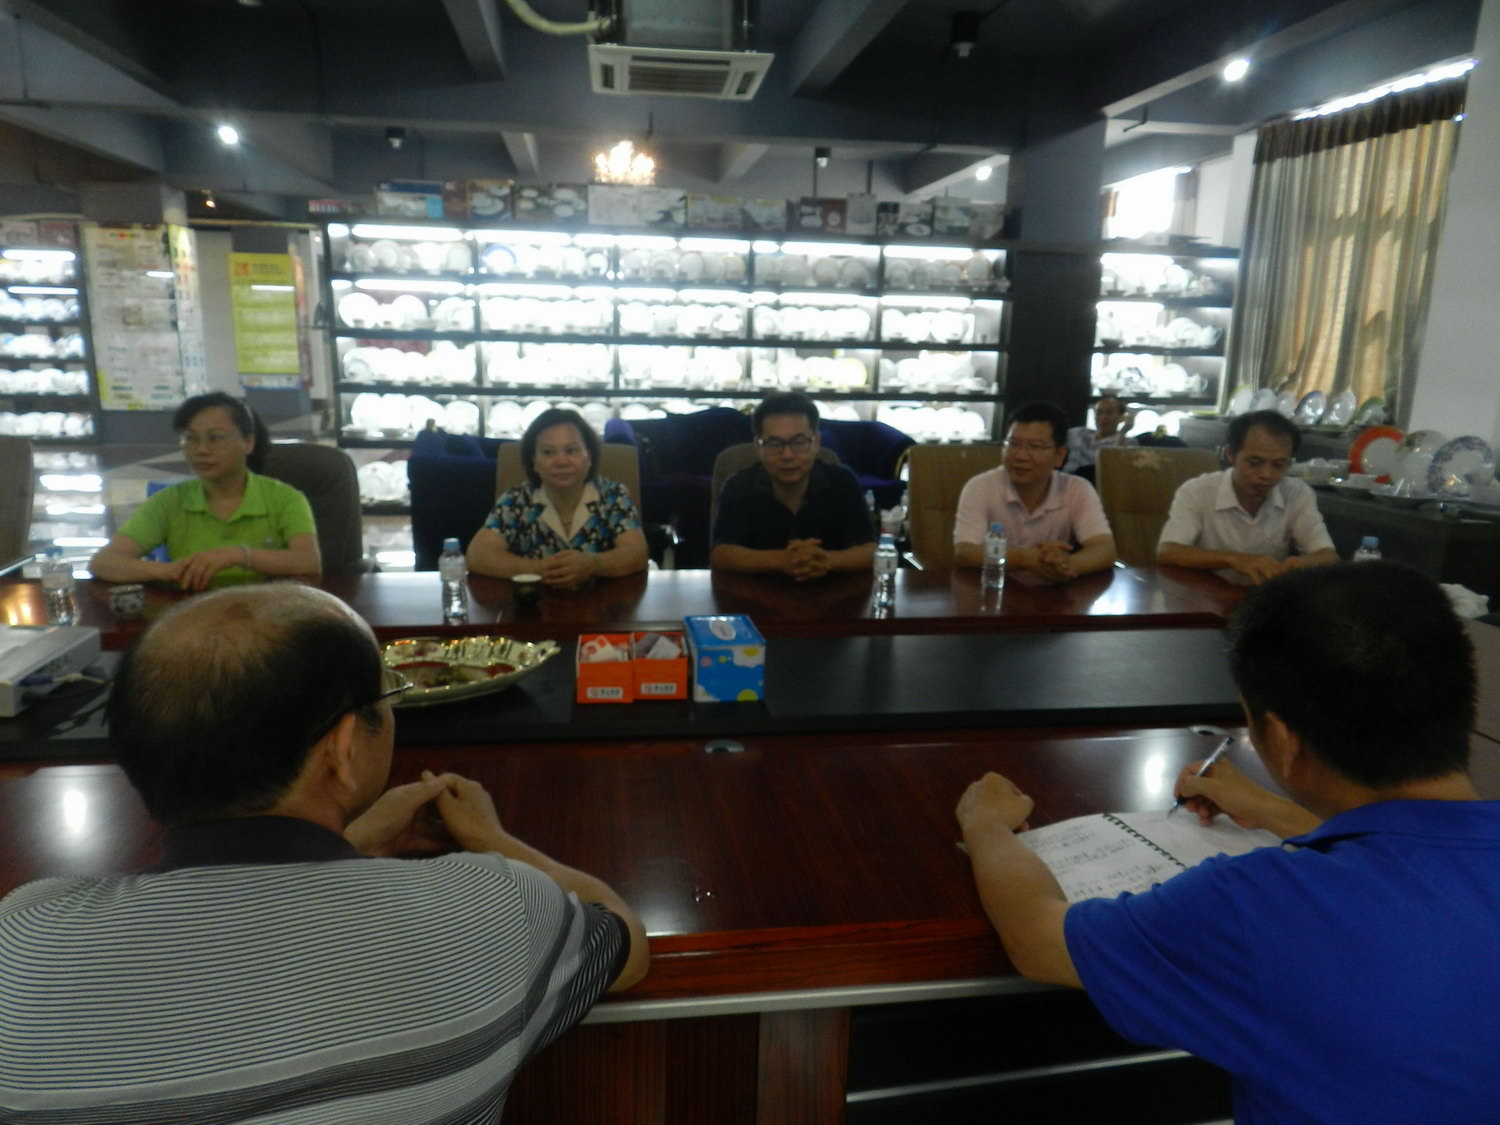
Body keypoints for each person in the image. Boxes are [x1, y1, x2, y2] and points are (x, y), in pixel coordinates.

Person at [0, 584, 648, 1120]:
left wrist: (350, 844)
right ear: (341, 750)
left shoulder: (22, 936)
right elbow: (624, 937)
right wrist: (493, 840)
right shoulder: (489, 907)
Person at [955, 562, 1500, 1124]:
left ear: (1283, 741)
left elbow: (1039, 941)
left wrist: (986, 823)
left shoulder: (1265, 906)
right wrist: (1271, 810)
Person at [88, 392, 321, 591]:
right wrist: (168, 571)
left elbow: (308, 561)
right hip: (194, 612)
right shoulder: (170, 501)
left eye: (215, 438)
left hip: (269, 612)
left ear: (248, 443)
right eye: (191, 439)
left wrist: (238, 555)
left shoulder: (285, 498)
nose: (201, 450)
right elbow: (103, 562)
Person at [466, 407, 648, 586]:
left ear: (589, 457)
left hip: (604, 603)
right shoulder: (516, 500)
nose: (561, 462)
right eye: (548, 452)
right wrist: (539, 568)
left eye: (571, 451)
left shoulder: (613, 496)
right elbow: (477, 556)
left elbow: (637, 553)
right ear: (534, 461)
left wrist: (593, 564)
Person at [1157, 409, 1337, 584]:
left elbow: (1328, 556)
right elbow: (1168, 551)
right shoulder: (1197, 491)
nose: (1266, 474)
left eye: (1278, 465)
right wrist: (1234, 559)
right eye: (1254, 463)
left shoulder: (1297, 493)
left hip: (1266, 596)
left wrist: (1302, 563)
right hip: (1205, 594)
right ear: (1230, 455)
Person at [711, 392, 876, 580]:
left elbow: (870, 550)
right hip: (758, 592)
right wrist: (781, 560)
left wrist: (825, 560)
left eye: (799, 442)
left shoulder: (842, 481)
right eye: (775, 444)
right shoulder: (739, 486)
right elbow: (721, 554)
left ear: (816, 443)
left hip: (831, 592)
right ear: (758, 446)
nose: (787, 455)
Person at [952, 401, 1117, 582]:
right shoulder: (980, 487)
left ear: (1060, 455)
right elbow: (965, 552)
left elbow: (1104, 548)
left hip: (1055, 594)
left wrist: (1066, 565)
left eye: (1036, 446)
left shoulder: (1077, 489)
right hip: (993, 589)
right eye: (1013, 444)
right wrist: (1025, 558)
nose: (1021, 456)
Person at [1062, 392, 1136, 480]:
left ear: (1121, 417)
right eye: (1099, 412)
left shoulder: (1127, 441)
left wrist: (1122, 433)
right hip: (1065, 481)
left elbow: (1119, 469)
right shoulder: (1079, 433)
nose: (1103, 417)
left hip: (1096, 484)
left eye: (1109, 413)